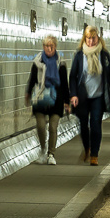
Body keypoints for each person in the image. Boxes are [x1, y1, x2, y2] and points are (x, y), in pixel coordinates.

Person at [69, 25, 110, 165]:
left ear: (98, 38)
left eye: (93, 38)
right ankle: (87, 147)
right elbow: (73, 76)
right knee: (84, 125)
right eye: (88, 38)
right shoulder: (80, 55)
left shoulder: (104, 54)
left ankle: (94, 155)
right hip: (83, 96)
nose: (91, 41)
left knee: (96, 124)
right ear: (84, 39)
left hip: (98, 96)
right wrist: (73, 95)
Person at [25, 35, 69, 164]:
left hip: (56, 99)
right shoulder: (37, 62)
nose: (49, 49)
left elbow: (64, 84)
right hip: (40, 98)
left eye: (51, 46)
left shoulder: (61, 63)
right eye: (46, 46)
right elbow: (32, 79)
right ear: (43, 47)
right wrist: (28, 94)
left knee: (53, 128)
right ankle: (43, 149)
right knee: (41, 126)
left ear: (55, 47)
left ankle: (51, 154)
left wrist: (67, 101)